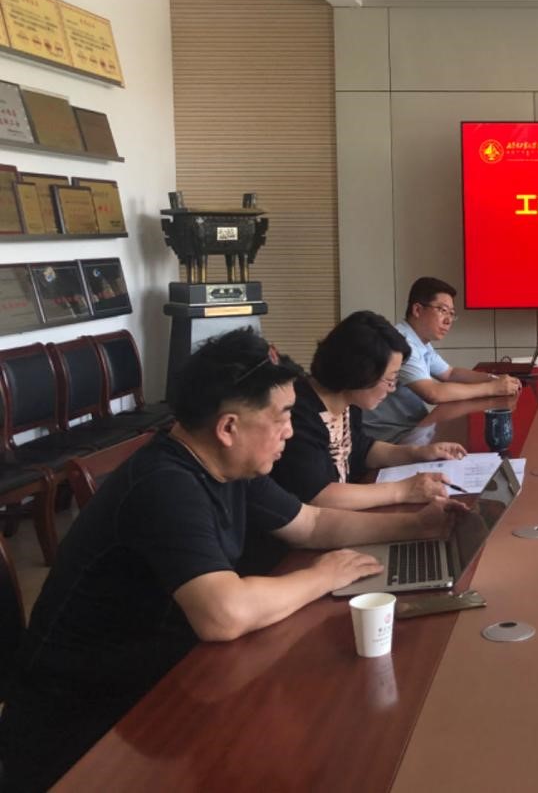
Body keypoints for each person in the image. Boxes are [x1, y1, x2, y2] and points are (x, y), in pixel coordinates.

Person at [0, 329, 462, 791]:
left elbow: (312, 523)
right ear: (228, 428)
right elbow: (224, 613)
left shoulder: (228, 465)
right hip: (87, 731)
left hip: (167, 685)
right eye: (282, 416)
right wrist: (323, 575)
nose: (290, 430)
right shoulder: (165, 484)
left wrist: (416, 526)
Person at [269, 310, 468, 510]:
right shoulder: (299, 413)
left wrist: (419, 453)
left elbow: (362, 449)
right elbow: (318, 496)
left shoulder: (348, 402)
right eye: (390, 380)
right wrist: (404, 490)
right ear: (361, 373)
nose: (392, 389)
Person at [363, 276, 520, 441]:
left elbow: (450, 373)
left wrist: (495, 379)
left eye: (452, 314)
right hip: (391, 438)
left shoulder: (419, 341)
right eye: (442, 310)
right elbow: (433, 393)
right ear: (417, 310)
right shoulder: (401, 342)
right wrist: (492, 388)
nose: (448, 320)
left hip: (412, 427)